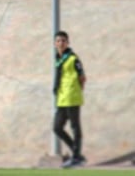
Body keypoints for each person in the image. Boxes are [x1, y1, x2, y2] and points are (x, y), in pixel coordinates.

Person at [53, 30, 86, 168]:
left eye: (63, 41)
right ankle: (76, 153)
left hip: (72, 97)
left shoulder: (73, 58)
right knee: (57, 127)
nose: (61, 43)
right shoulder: (58, 59)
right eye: (58, 41)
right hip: (62, 98)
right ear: (55, 43)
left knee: (75, 127)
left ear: (68, 42)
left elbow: (82, 76)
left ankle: (76, 157)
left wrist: (77, 90)